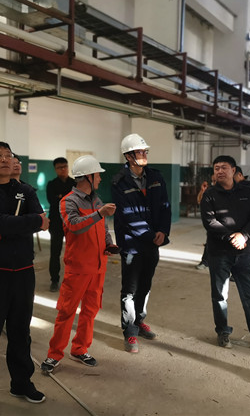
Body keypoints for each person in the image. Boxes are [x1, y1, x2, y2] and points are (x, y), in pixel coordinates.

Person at [0, 141, 49, 416]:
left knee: (20, 332)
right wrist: (26, 224)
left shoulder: (26, 191)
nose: (5, 159)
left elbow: (42, 221)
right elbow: (3, 221)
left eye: (8, 155)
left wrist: (4, 231)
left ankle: (21, 383)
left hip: (24, 271)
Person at [40, 155, 117, 373]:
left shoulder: (97, 200)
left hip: (98, 266)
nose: (100, 179)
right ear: (88, 177)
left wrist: (109, 244)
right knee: (67, 311)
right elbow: (74, 225)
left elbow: (104, 227)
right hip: (79, 267)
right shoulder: (68, 201)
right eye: (97, 175)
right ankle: (54, 354)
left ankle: (80, 348)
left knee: (90, 310)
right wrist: (99, 213)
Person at [200, 155, 250, 353]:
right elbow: (209, 222)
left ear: (234, 170)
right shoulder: (209, 194)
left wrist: (244, 236)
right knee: (220, 296)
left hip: (244, 253)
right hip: (219, 253)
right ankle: (223, 332)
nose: (220, 171)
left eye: (224, 167)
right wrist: (232, 237)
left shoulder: (247, 191)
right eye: (216, 168)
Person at [111, 133, 171, 353]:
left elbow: (165, 206)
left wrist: (163, 231)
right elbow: (127, 215)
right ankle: (129, 331)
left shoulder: (156, 177)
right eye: (139, 151)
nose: (144, 154)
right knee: (130, 289)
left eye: (145, 151)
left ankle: (139, 320)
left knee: (145, 285)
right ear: (128, 156)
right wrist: (150, 234)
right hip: (132, 243)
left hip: (153, 241)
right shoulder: (119, 182)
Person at [46, 157, 75, 292]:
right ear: (55, 169)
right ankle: (54, 280)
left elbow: (77, 202)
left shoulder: (75, 184)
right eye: (59, 167)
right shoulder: (51, 185)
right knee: (55, 253)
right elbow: (53, 201)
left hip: (72, 223)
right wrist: (66, 199)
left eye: (65, 167)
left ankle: (73, 280)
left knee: (73, 254)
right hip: (56, 223)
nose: (63, 169)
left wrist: (61, 197)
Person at [195, 176, 214, 270]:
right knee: (210, 240)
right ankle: (205, 261)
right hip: (213, 223)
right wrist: (202, 191)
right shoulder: (210, 190)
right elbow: (199, 200)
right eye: (213, 180)